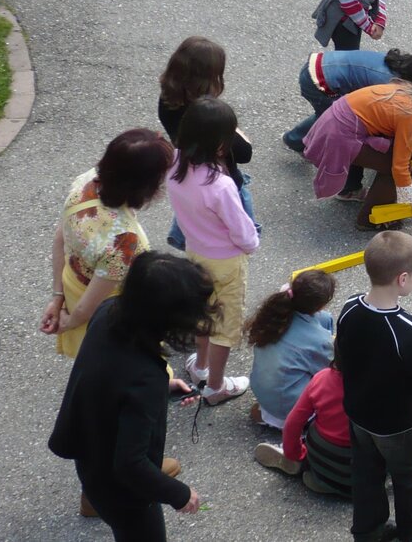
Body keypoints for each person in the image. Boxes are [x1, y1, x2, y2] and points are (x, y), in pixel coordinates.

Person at [39, 129, 192, 518]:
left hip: (75, 284)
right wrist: (73, 320)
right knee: (128, 392)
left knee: (93, 380)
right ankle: (115, 484)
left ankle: (94, 488)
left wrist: (58, 298)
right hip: (107, 310)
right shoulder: (126, 241)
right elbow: (98, 305)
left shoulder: (84, 182)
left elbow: (59, 239)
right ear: (144, 185)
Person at [49, 252, 214, 540]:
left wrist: (164, 388)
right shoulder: (145, 378)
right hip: (123, 491)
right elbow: (130, 464)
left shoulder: (109, 310)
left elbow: (112, 382)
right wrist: (179, 493)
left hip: (90, 456)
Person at [336, 230, 412, 541]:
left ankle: (368, 530)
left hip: (358, 413)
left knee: (366, 473)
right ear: (402, 279)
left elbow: (342, 353)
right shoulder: (409, 330)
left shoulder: (350, 307)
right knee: (408, 474)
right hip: (398, 422)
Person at [284, 49, 412, 199]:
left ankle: (296, 139)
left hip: (322, 65)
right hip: (319, 81)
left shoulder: (402, 81)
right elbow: (368, 124)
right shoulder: (396, 94)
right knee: (345, 129)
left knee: (333, 118)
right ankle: (349, 189)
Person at [168, 97, 260, 406]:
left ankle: (200, 366)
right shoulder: (220, 185)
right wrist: (252, 244)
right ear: (220, 144)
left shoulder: (175, 163)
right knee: (225, 324)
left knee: (203, 311)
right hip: (226, 262)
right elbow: (242, 230)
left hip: (196, 252)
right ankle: (216, 386)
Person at [303, 71, 412, 231]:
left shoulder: (409, 92)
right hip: (339, 135)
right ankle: (368, 220)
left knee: (395, 160)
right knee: (395, 169)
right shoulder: (409, 116)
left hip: (337, 124)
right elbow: (399, 167)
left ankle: (370, 197)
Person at [157, 36, 256, 250]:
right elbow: (244, 152)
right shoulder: (210, 118)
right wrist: (232, 127)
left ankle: (182, 236)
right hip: (221, 175)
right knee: (237, 219)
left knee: (193, 209)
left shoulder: (167, 101)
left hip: (189, 170)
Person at [255, 346, 354, 500]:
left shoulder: (322, 378)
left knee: (317, 429)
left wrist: (294, 453)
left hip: (320, 455)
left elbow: (292, 424)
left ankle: (308, 468)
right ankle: (342, 487)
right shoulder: (380, 388)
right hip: (360, 471)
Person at [247, 269, 338, 429]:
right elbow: (329, 373)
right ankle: (302, 433)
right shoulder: (319, 340)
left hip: (264, 393)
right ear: (322, 305)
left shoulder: (275, 316)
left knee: (324, 320)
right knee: (338, 385)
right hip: (291, 407)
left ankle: (270, 415)